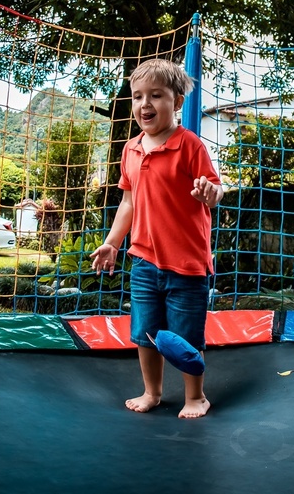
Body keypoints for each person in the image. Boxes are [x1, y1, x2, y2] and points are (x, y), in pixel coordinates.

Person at [90, 58, 223, 418]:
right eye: (138, 96)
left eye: (156, 95)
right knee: (145, 333)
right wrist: (113, 242)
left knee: (186, 337)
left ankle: (196, 396)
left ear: (177, 101)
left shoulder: (189, 145)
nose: (145, 104)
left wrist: (211, 193)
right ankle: (152, 392)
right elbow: (128, 202)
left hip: (187, 264)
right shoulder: (131, 149)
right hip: (144, 261)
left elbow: (215, 188)